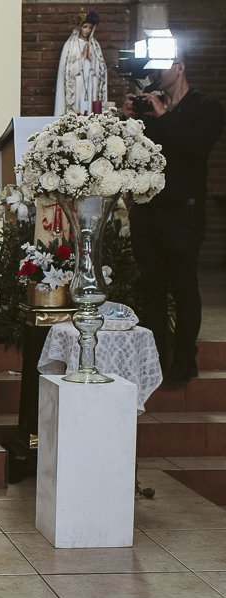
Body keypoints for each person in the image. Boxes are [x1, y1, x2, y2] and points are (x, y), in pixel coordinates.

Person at [121, 46, 225, 382]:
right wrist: (131, 121)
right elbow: (136, 155)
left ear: (179, 67)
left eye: (159, 68)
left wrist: (162, 115)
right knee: (152, 288)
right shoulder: (150, 109)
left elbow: (195, 148)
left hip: (184, 211)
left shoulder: (207, 107)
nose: (153, 75)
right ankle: (154, 362)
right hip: (148, 211)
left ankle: (184, 361)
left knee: (183, 286)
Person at [54, 11, 107, 116]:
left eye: (90, 27)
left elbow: (101, 69)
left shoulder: (94, 45)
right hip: (77, 85)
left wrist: (91, 59)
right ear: (79, 27)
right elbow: (68, 70)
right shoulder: (71, 45)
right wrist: (82, 58)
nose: (87, 30)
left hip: (91, 84)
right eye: (85, 27)